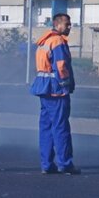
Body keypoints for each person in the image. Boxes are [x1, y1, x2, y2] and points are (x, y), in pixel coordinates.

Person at [31, 13, 80, 175]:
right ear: (58, 25)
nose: (69, 27)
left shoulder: (45, 41)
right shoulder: (58, 41)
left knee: (46, 127)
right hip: (56, 90)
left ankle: (46, 164)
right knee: (61, 127)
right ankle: (65, 164)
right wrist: (66, 85)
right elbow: (61, 66)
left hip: (43, 88)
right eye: (67, 24)